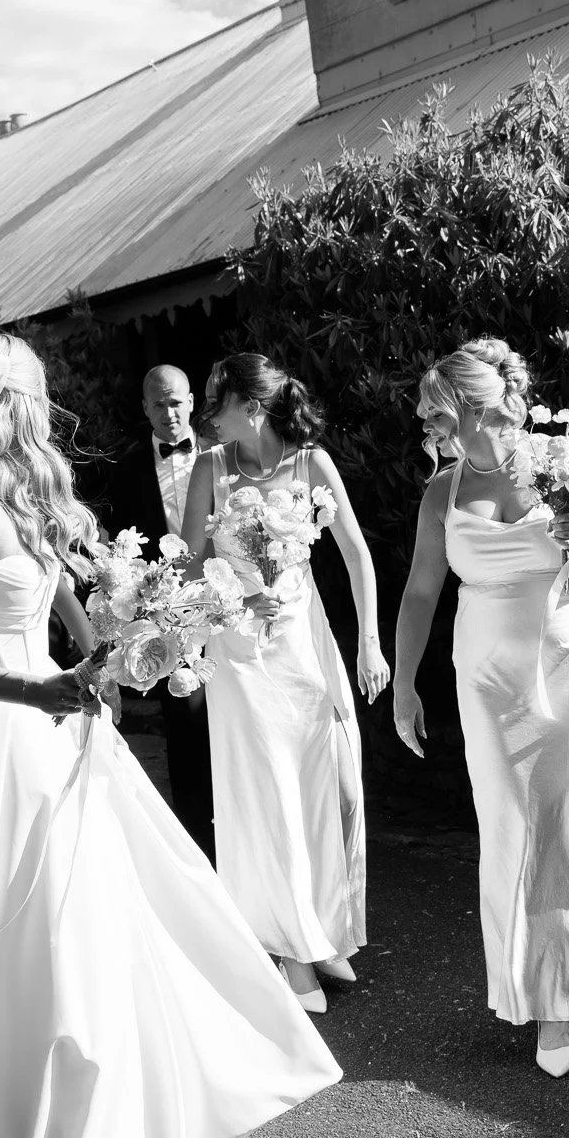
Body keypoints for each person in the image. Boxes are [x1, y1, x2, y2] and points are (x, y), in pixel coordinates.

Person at [0, 333, 340, 1138]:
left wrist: (120, 642)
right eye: (31, 398)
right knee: (2, 936)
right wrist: (33, 692)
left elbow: (60, 605)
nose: (44, 414)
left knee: (86, 929)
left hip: (60, 726)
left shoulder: (26, 492)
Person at [391, 337, 569, 1079]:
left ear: (477, 408)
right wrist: (403, 683)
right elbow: (422, 590)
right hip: (488, 680)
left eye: (437, 414)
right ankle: (551, 1000)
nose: (428, 428)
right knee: (520, 833)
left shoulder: (562, 461)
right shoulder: (440, 491)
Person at [180, 355, 389, 1016]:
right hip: (240, 656)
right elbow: (187, 568)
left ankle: (321, 928)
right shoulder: (208, 471)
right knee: (264, 795)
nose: (205, 416)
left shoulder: (311, 464)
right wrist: (232, 606)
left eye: (215, 402)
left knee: (322, 788)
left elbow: (355, 554)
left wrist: (369, 643)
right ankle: (289, 950)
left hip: (305, 645)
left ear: (252, 407)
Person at [95, 364, 215, 857]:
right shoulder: (122, 471)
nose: (170, 413)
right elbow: (117, 549)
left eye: (177, 402)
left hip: (234, 607)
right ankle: (199, 852)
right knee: (186, 731)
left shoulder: (223, 456)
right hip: (170, 618)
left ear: (192, 402)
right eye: (159, 404)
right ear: (145, 408)